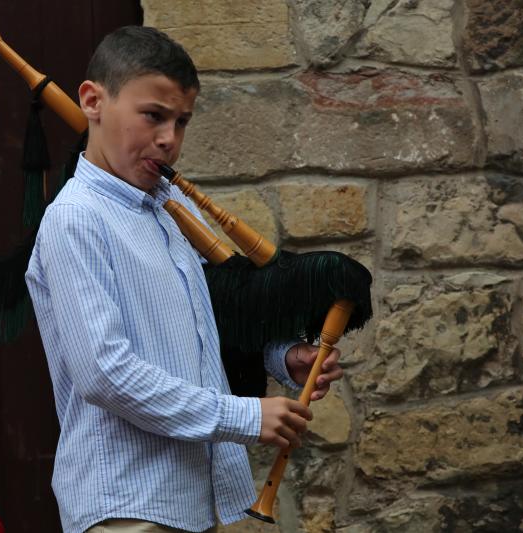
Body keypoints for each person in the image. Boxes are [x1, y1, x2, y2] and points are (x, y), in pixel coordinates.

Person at [24, 26, 343, 533]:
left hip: (191, 503)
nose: (169, 139)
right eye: (153, 115)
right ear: (92, 100)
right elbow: (105, 373)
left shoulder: (169, 213)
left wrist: (279, 358)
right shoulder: (75, 219)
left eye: (181, 121)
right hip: (125, 507)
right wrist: (245, 417)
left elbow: (194, 332)